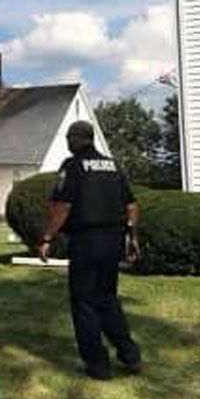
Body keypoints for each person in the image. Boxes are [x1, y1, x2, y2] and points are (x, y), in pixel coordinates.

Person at [38, 121, 142, 380]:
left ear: (76, 139)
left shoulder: (72, 166)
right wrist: (131, 235)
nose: (66, 142)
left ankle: (97, 364)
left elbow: (63, 207)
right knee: (107, 299)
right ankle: (130, 355)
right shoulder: (113, 165)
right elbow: (131, 206)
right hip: (113, 240)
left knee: (84, 303)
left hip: (87, 241)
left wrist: (47, 237)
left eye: (68, 138)